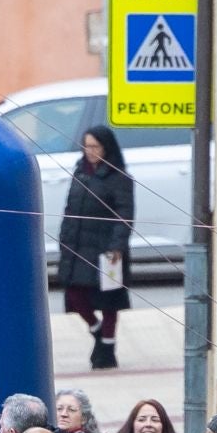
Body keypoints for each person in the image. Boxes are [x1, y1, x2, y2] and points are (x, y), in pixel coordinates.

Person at [56, 125, 133, 370]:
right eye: (86, 146)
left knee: (109, 300)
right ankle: (97, 330)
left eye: (94, 146)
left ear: (105, 147)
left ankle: (107, 350)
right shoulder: (80, 172)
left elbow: (124, 214)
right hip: (78, 246)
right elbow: (69, 209)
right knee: (75, 295)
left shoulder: (119, 177)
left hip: (107, 248)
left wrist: (117, 246)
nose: (89, 151)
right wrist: (64, 239)